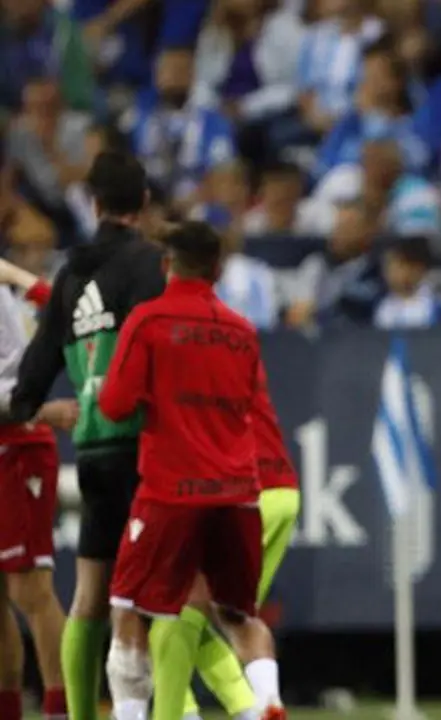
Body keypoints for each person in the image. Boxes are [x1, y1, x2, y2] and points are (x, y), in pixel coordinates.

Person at [95, 220, 285, 720]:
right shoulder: (242, 331)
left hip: (171, 492)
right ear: (218, 270)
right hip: (237, 492)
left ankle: (131, 716)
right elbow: (247, 403)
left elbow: (114, 405)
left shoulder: (148, 320)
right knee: (238, 616)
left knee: (128, 609)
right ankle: (269, 703)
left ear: (166, 266)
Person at [8, 150, 168, 720]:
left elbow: (29, 382)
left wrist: (37, 408)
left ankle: (75, 714)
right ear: (143, 203)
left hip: (96, 451)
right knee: (171, 596)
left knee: (89, 598)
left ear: (95, 205)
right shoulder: (152, 266)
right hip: (151, 452)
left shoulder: (71, 275)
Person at [181, 359, 301, 720]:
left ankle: (196, 712)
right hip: (281, 489)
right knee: (235, 615)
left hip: (238, 489)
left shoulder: (175, 344)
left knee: (173, 610)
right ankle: (265, 704)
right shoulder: (238, 339)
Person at [0, 258, 72, 720]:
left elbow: (17, 377)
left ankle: (61, 709)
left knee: (31, 590)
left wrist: (39, 412)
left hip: (17, 447)